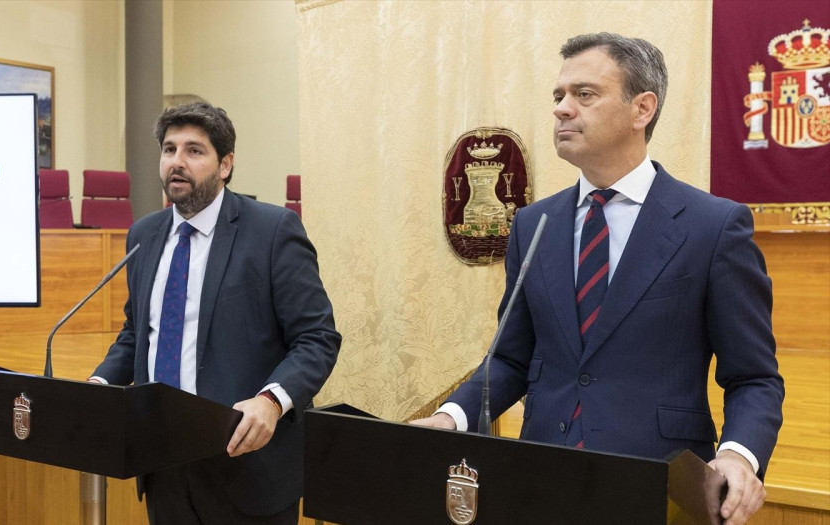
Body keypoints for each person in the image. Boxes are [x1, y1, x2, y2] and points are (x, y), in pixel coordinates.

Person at [412, 33, 783, 525]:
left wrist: (738, 455)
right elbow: (510, 357)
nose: (562, 109)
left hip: (659, 487)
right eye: (559, 96)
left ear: (642, 108)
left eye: (584, 95)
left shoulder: (712, 226)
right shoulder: (532, 224)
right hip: (538, 482)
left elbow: (753, 377)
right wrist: (449, 418)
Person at [89, 102, 341, 524]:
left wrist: (272, 401)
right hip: (163, 463)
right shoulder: (144, 235)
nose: (177, 163)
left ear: (225, 164)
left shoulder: (272, 231)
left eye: (194, 151)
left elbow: (317, 338)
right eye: (169, 150)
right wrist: (100, 382)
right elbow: (138, 332)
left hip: (246, 464)